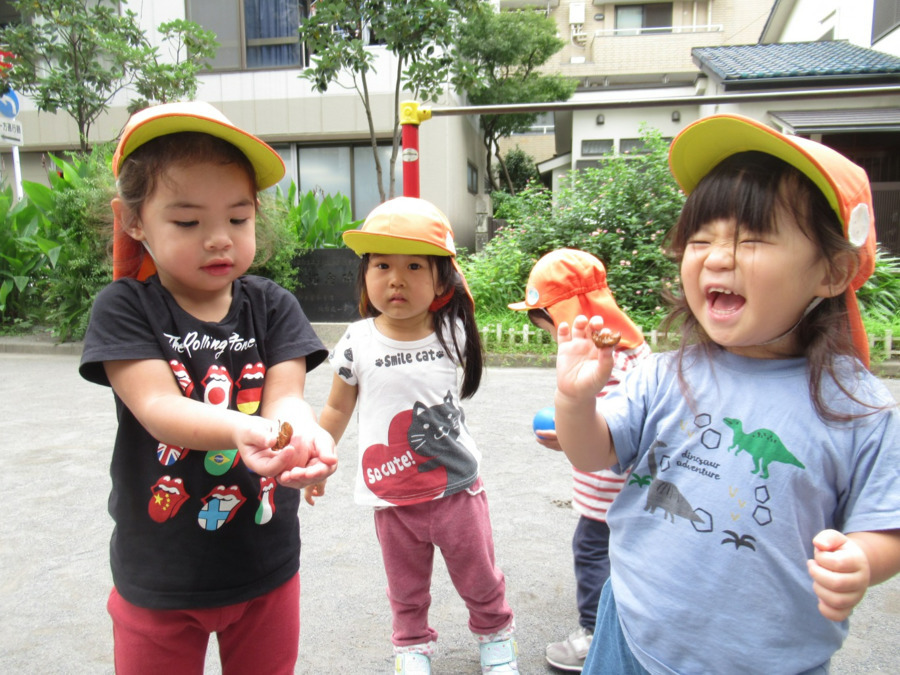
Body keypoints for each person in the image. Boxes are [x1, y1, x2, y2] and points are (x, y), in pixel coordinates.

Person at [553, 113, 900, 674]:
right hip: (632, 628)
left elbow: (886, 522)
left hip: (767, 659)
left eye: (753, 237)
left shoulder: (858, 409)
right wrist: (575, 402)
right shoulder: (666, 374)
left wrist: (862, 557)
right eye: (700, 238)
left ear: (832, 273)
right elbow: (591, 452)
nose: (717, 256)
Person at [78, 101, 338, 675]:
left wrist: (305, 436)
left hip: (265, 561)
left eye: (238, 219)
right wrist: (243, 427)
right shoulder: (126, 309)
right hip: (161, 575)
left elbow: (287, 400)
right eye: (189, 222)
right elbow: (157, 406)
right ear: (134, 220)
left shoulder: (272, 305)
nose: (219, 239)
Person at [306, 196, 518, 675]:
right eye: (381, 265)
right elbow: (338, 406)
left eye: (415, 266)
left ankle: (496, 636)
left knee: (479, 575)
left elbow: (465, 297)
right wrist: (319, 456)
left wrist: (454, 283)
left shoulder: (453, 332)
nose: (395, 279)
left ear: (442, 278)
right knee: (404, 585)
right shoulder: (357, 341)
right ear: (364, 275)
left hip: (457, 491)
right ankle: (411, 645)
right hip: (392, 495)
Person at [508, 248, 651, 672]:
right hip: (629, 493)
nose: (551, 335)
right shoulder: (634, 351)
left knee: (591, 552)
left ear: (571, 312)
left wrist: (569, 436)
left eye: (549, 324)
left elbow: (607, 428)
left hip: (608, 494)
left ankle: (593, 633)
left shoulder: (603, 362)